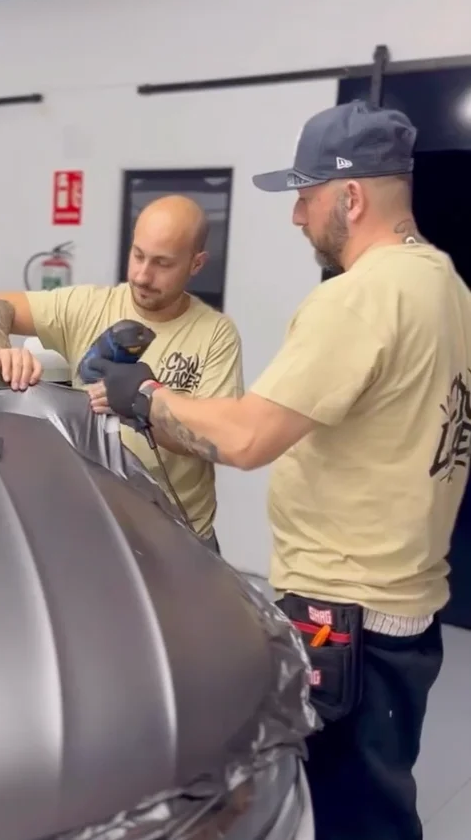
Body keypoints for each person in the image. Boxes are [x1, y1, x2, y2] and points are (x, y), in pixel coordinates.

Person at [90, 100, 471, 840]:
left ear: (350, 196)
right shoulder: (446, 285)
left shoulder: (360, 297)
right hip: (407, 609)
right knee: (376, 794)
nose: (297, 216)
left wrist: (145, 395)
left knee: (348, 808)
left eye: (305, 196)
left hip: (347, 614)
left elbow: (247, 438)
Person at [0, 194, 244, 548]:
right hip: (97, 531)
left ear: (196, 263)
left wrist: (144, 406)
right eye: (138, 255)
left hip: (181, 538)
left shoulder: (216, 334)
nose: (143, 275)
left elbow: (219, 440)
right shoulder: (87, 306)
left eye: (162, 263)